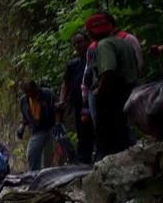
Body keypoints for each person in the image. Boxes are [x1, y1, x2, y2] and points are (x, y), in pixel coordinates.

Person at [86, 13, 139, 159]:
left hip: (113, 95)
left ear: (91, 31)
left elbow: (109, 71)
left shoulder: (104, 45)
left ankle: (107, 170)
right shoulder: (123, 42)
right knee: (123, 134)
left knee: (109, 139)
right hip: (129, 91)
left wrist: (99, 91)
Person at [60, 32, 94, 164]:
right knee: (82, 134)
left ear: (88, 41)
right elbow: (66, 83)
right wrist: (62, 100)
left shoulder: (95, 59)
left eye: (79, 42)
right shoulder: (73, 64)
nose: (77, 45)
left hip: (95, 101)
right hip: (79, 104)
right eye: (74, 44)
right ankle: (84, 161)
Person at [17, 80, 58, 171]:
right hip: (37, 129)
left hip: (51, 127)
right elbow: (24, 116)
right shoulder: (24, 100)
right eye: (27, 92)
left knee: (50, 154)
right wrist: (21, 127)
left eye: (31, 91)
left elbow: (58, 108)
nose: (30, 94)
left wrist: (58, 124)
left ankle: (50, 174)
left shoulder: (47, 94)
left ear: (36, 88)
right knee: (32, 153)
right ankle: (34, 174)